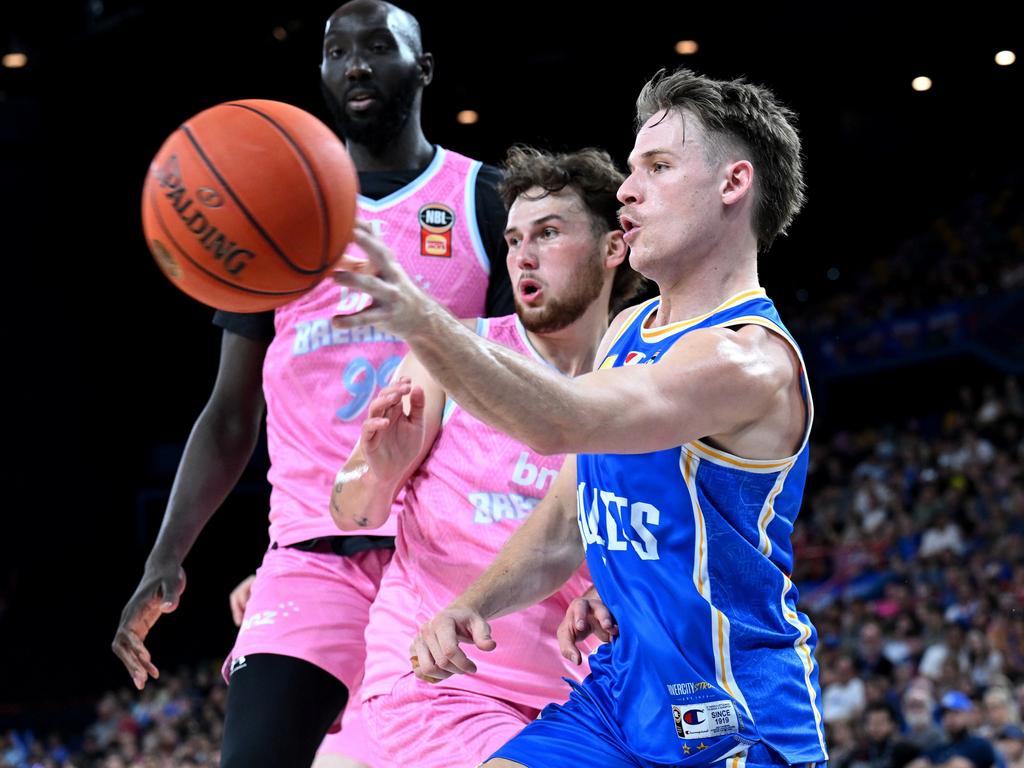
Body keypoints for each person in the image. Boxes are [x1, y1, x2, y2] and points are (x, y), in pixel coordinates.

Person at [329, 67, 826, 767]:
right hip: (620, 693)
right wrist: (476, 602)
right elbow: (568, 517)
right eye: (631, 170)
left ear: (733, 184)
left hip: (730, 712)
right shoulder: (628, 329)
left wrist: (421, 319)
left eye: (657, 166)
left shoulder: (749, 362)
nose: (628, 189)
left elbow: (561, 423)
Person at [111, 2, 512, 767]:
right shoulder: (270, 211)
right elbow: (231, 414)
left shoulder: (484, 201)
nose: (354, 64)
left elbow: (521, 396)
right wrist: (166, 555)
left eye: (376, 47)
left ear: (423, 66)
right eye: (334, 52)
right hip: (309, 551)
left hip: (440, 550)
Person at [328, 145, 641, 766]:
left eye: (548, 234)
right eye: (513, 239)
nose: (522, 254)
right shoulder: (455, 352)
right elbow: (354, 514)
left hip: (582, 696)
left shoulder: (639, 379)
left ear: (613, 248)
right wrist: (379, 466)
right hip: (440, 680)